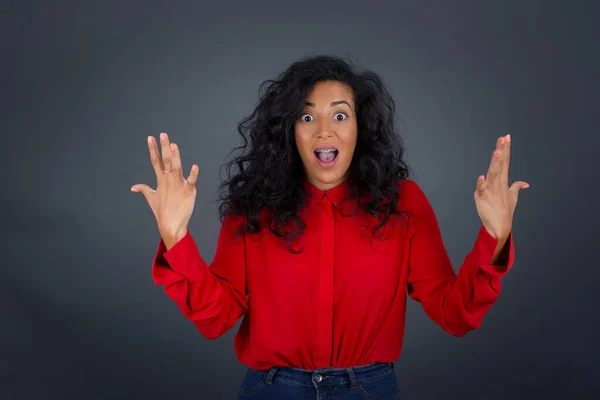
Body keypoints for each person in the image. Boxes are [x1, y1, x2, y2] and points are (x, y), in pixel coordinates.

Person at [131, 55, 529, 399]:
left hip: (368, 388)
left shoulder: (403, 203)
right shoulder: (251, 209)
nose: (325, 130)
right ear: (290, 130)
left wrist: (494, 238)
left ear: (361, 127)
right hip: (272, 390)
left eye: (340, 114)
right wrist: (175, 236)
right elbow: (216, 318)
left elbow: (454, 314)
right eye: (307, 116)